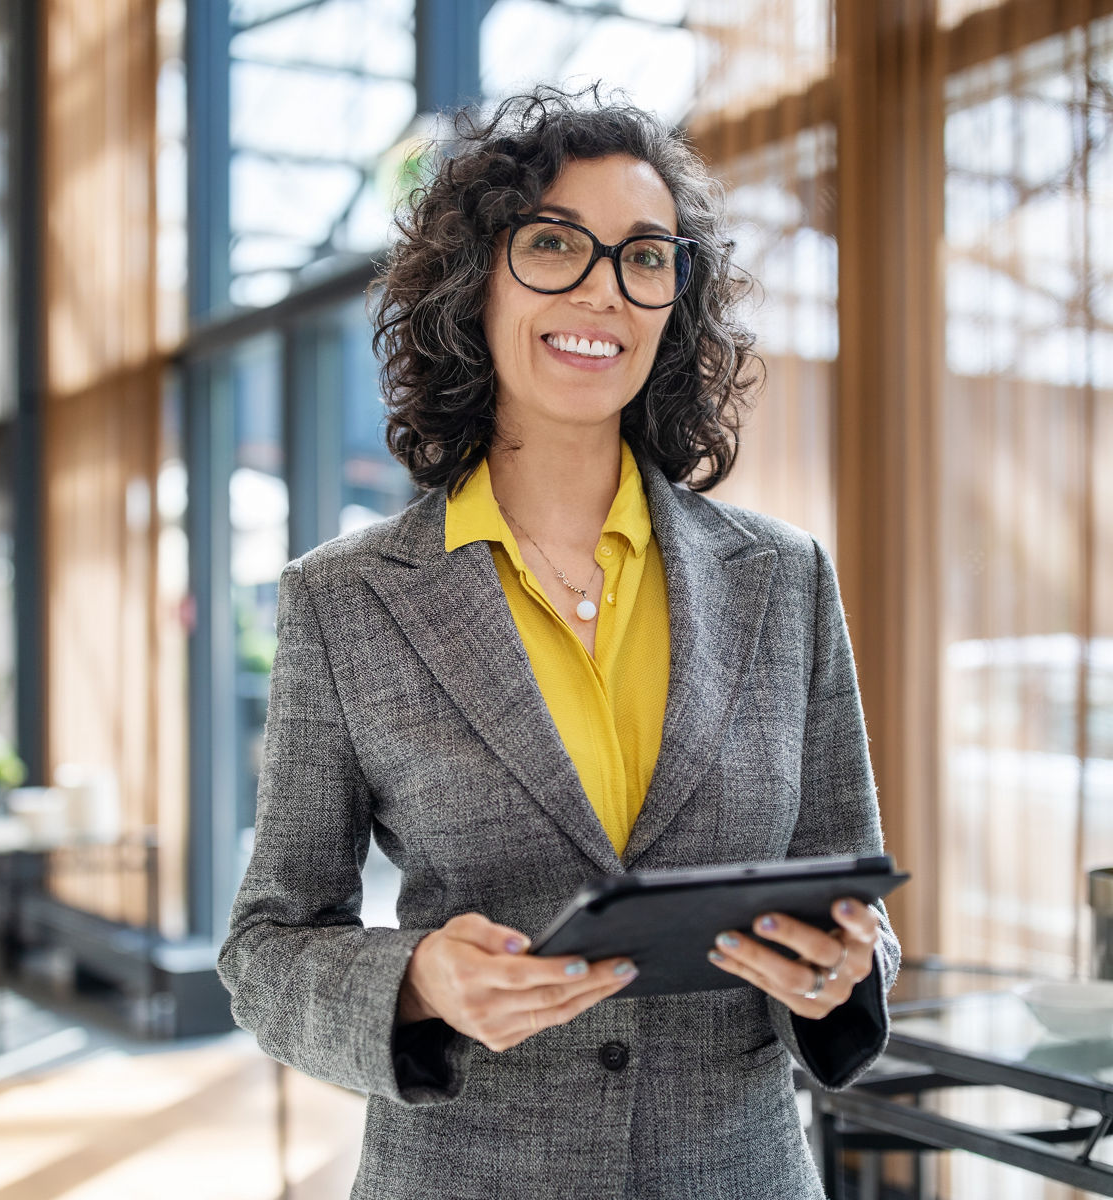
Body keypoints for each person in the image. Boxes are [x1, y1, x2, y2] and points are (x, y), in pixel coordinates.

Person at [218, 85, 900, 1199]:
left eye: (643, 257)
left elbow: (853, 900)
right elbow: (268, 945)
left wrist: (844, 970)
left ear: (674, 301)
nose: (601, 289)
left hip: (732, 1171)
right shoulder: (346, 601)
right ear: (471, 284)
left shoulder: (783, 578)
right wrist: (416, 981)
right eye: (552, 246)